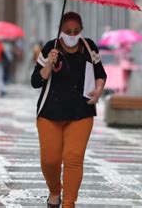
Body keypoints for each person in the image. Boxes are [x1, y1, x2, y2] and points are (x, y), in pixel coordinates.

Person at [31, 12, 107, 208]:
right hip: (50, 113)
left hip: (81, 112)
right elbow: (35, 81)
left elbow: (100, 74)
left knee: (73, 159)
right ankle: (55, 191)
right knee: (50, 160)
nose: (72, 35)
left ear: (81, 30)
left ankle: (68, 203)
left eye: (76, 31)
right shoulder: (50, 47)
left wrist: (98, 91)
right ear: (60, 30)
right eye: (67, 31)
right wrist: (48, 63)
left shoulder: (89, 47)